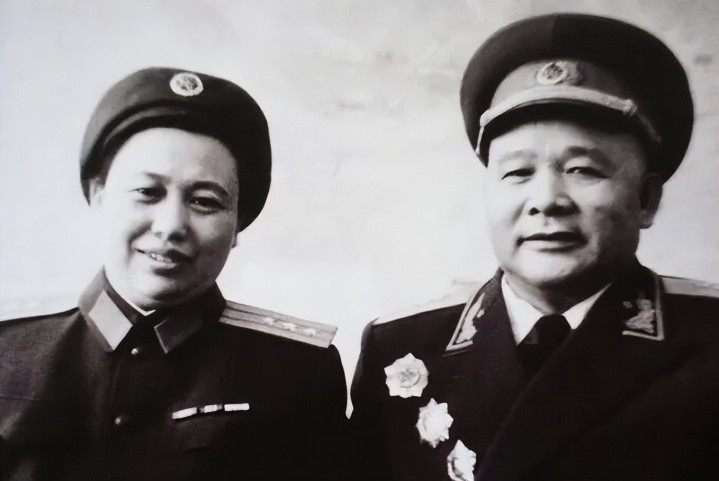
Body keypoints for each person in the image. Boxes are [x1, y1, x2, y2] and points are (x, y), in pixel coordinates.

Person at [349, 13, 719, 481]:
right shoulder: (400, 346)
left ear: (645, 199)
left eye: (583, 170)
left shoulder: (707, 340)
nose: (546, 200)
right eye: (517, 173)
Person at [0, 67, 347, 481]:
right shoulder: (9, 346)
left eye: (205, 201)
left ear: (237, 225)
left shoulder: (297, 372)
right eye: (147, 192)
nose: (170, 226)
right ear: (98, 197)